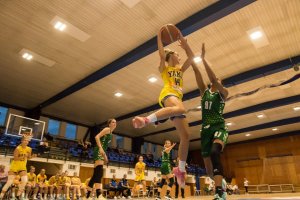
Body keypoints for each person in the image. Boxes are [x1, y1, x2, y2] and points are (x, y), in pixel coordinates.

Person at [132, 25, 194, 187]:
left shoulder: (180, 69)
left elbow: (192, 57)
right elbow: (161, 54)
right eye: (177, 54)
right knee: (181, 109)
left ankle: (180, 169)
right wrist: (159, 37)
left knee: (186, 136)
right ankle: (147, 120)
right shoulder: (165, 67)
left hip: (177, 99)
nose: (180, 56)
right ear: (170, 56)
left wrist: (185, 44)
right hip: (168, 95)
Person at [191, 43, 229, 200]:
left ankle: (219, 192)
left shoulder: (223, 93)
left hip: (218, 127)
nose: (215, 79)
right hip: (205, 131)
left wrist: (203, 58)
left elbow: (212, 77)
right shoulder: (204, 92)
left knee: (215, 153)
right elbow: (196, 72)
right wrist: (189, 53)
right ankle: (222, 184)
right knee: (208, 170)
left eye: (218, 79)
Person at [86, 119, 117, 200]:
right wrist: (100, 148)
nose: (115, 123)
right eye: (113, 122)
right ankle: (98, 195)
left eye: (115, 122)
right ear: (109, 124)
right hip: (98, 150)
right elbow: (97, 137)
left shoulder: (111, 133)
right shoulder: (107, 129)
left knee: (96, 174)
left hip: (101, 152)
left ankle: (87, 196)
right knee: (99, 173)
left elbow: (104, 146)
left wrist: (105, 156)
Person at [0, 133, 35, 199]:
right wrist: (21, 158)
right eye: (25, 140)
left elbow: (29, 157)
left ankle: (18, 195)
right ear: (22, 141)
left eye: (27, 141)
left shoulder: (29, 149)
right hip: (15, 166)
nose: (26, 142)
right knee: (9, 182)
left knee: (24, 180)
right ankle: (1, 195)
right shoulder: (18, 148)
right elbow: (15, 158)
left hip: (22, 167)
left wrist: (32, 157)